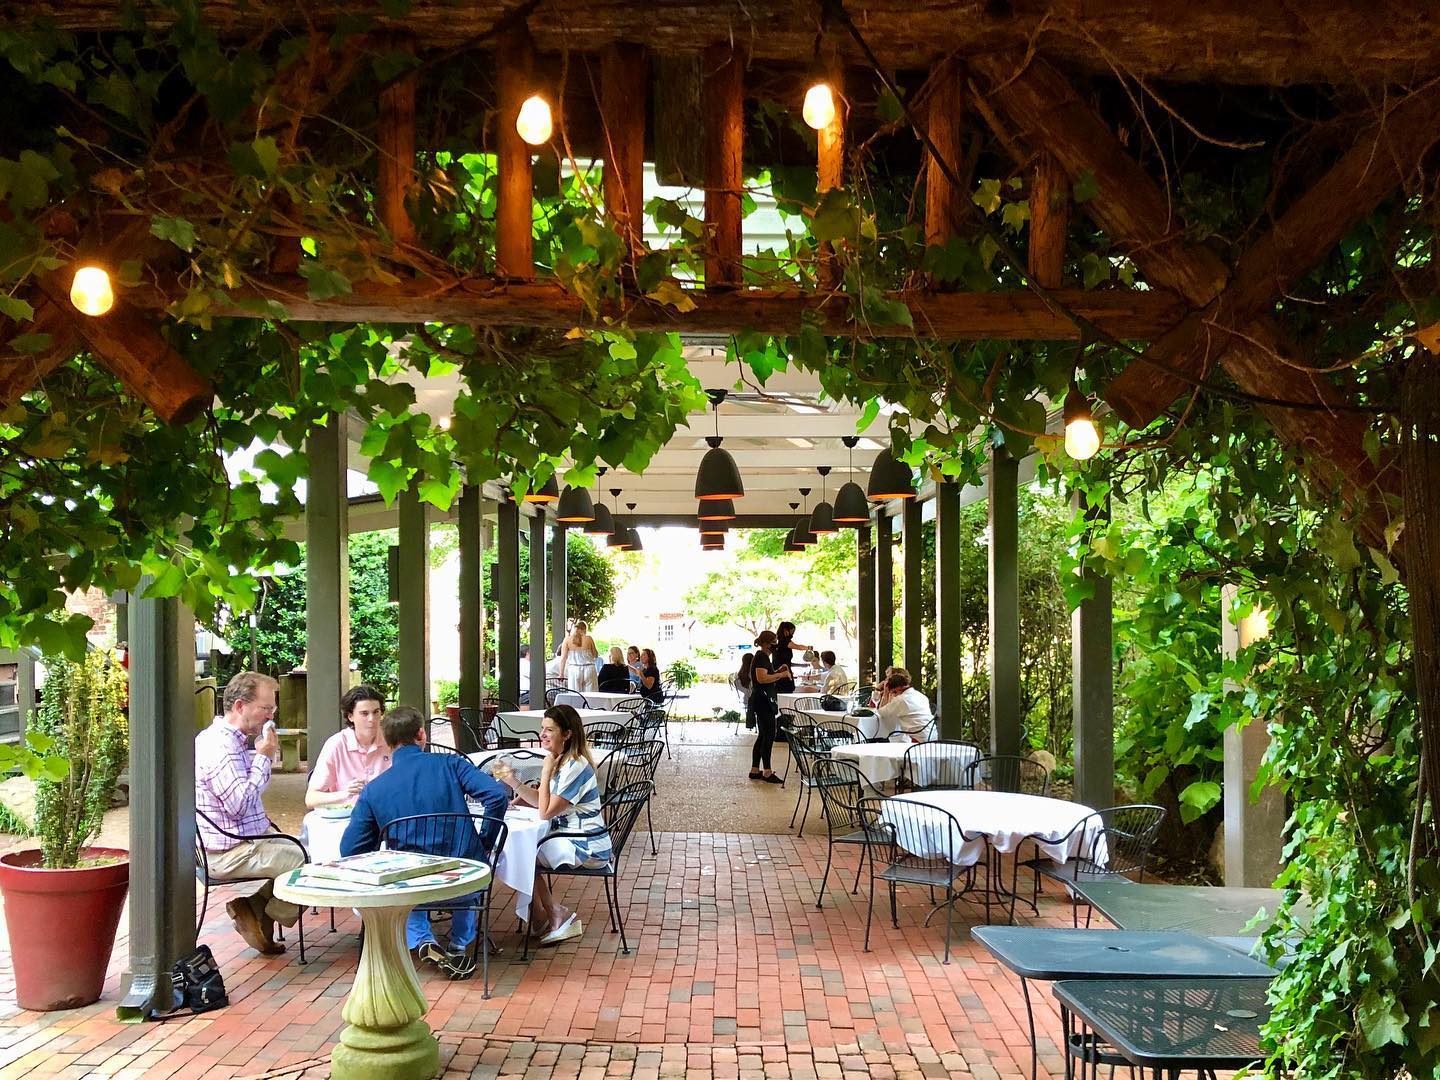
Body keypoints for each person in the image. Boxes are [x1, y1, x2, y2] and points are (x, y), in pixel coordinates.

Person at [339, 704, 510, 978]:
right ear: (422, 734)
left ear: (386, 741)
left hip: (413, 883)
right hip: (463, 877)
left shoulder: (375, 789)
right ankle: (458, 945)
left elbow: (350, 850)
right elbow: (497, 796)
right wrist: (484, 842)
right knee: (470, 868)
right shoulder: (452, 764)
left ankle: (422, 941)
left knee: (403, 880)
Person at [195, 671, 303, 955]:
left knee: (307, 847)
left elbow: (245, 798)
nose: (271, 716)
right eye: (266, 708)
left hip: (246, 838)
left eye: (273, 708)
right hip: (230, 850)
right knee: (309, 863)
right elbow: (239, 804)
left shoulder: (233, 740)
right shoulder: (222, 747)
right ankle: (263, 912)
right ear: (240, 706)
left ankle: (255, 910)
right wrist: (264, 756)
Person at [492, 705, 612, 946]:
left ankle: (552, 911)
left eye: (550, 730)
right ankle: (540, 915)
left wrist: (545, 772)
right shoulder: (564, 762)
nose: (543, 735)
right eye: (542, 729)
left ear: (567, 734)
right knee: (519, 851)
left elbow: (545, 812)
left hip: (588, 843)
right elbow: (542, 802)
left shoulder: (575, 766)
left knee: (523, 853)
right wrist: (512, 781)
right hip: (569, 835)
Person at [305, 685, 391, 809]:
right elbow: (311, 799)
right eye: (364, 714)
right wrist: (346, 793)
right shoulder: (336, 744)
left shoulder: (392, 741)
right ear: (350, 716)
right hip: (347, 818)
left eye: (376, 712)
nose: (372, 719)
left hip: (385, 817)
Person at [747, 632, 788, 783]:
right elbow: (762, 678)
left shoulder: (762, 657)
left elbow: (765, 676)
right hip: (763, 701)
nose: (775, 646)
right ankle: (767, 771)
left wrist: (777, 672)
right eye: (773, 643)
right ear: (765, 644)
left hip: (761, 699)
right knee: (769, 735)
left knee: (763, 735)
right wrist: (781, 676)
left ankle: (755, 769)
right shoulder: (761, 657)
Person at [874, 668, 934, 740]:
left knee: (894, 738)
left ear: (896, 690)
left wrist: (886, 693)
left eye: (893, 692)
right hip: (932, 736)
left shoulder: (900, 700)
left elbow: (881, 712)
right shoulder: (921, 696)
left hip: (917, 740)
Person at [559, 620, 600, 693]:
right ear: (584, 629)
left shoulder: (567, 640)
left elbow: (563, 658)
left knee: (575, 695)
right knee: (591, 696)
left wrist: (561, 673)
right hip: (589, 668)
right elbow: (595, 654)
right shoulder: (589, 639)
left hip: (574, 669)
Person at [772, 622, 813, 695]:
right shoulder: (784, 640)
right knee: (786, 691)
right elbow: (797, 647)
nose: (792, 634)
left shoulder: (777, 640)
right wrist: (809, 648)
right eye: (792, 631)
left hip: (778, 669)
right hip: (784, 670)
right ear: (786, 630)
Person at [733, 652, 756, 730]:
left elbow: (739, 686)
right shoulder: (753, 674)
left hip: (746, 699)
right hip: (752, 700)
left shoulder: (739, 675)